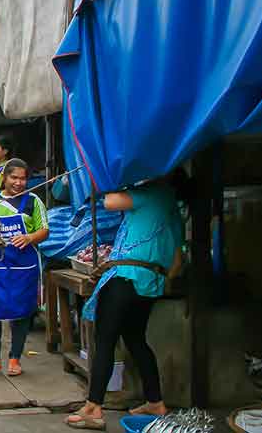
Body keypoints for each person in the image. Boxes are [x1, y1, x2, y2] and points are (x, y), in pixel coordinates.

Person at [65, 174, 185, 430]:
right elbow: (176, 264)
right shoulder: (173, 208)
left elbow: (109, 202)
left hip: (125, 277)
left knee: (105, 341)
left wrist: (110, 174)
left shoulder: (150, 193)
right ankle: (155, 402)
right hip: (150, 282)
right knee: (135, 340)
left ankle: (93, 408)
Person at [0, 159, 48, 378]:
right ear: (4, 177)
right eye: (14, 177)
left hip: (25, 267)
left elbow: (45, 230)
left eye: (23, 178)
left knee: (21, 312)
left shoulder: (33, 201)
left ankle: (15, 358)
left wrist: (29, 237)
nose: (19, 183)